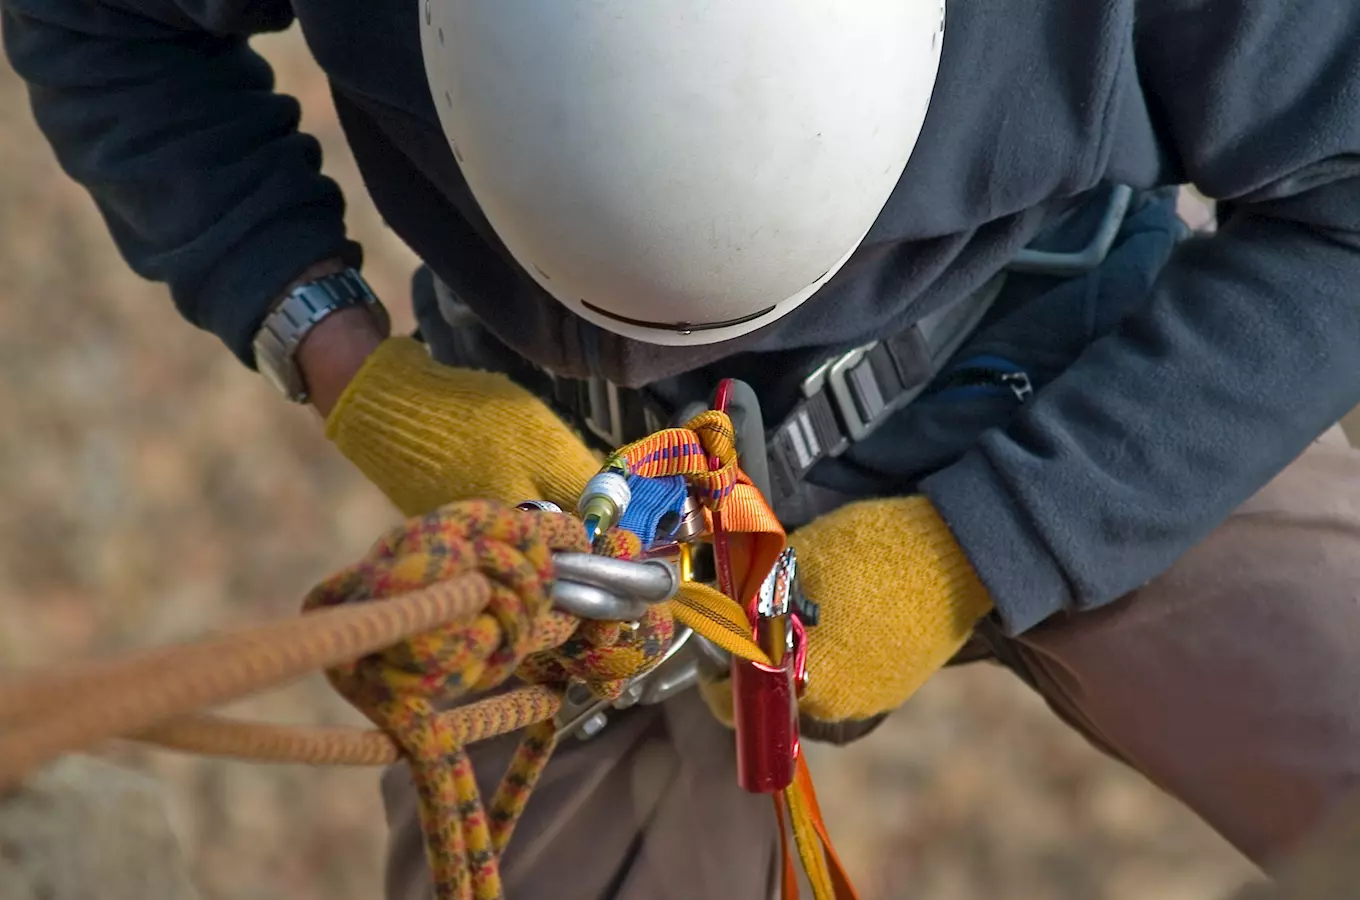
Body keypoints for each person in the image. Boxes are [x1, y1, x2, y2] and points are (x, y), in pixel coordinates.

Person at [5, 0, 1360, 897]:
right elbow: (97, 16)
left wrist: (986, 546)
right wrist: (348, 364)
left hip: (1055, 340)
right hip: (575, 484)